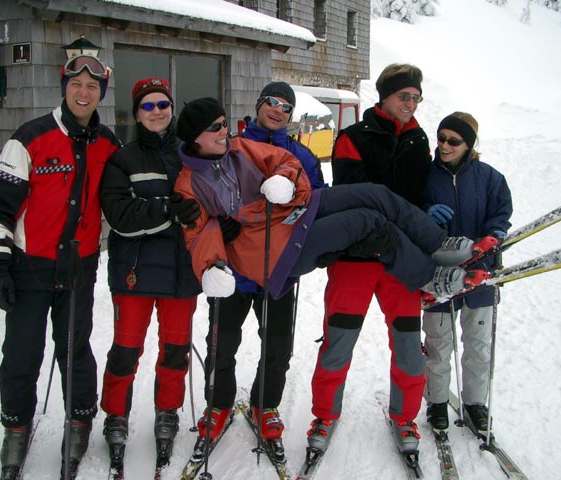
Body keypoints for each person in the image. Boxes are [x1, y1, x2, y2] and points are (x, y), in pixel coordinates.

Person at [172, 97, 483, 455]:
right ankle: (429, 277)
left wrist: (284, 180)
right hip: (273, 250)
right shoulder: (189, 183)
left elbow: (285, 161)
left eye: (224, 122)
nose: (224, 131)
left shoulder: (240, 148)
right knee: (368, 221)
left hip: (296, 210)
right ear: (195, 137)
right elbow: (199, 232)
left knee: (376, 195)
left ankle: (437, 243)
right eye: (214, 127)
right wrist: (210, 265)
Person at [0, 55, 120, 477]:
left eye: (92, 87)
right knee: (22, 352)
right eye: (76, 84)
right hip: (31, 268)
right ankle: (16, 427)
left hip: (80, 268)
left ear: (100, 94)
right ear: (64, 87)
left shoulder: (108, 144)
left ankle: (79, 418)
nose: (83, 92)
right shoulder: (30, 139)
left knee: (75, 349)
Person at [308, 63, 433, 458]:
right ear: (384, 96)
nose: (410, 104)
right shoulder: (352, 137)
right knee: (338, 341)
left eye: (416, 98)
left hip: (402, 262)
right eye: (404, 97)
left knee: (410, 345)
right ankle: (325, 414)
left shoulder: (419, 140)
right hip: (356, 259)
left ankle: (404, 416)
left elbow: (423, 197)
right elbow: (354, 196)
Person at [197, 82, 326, 454]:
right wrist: (219, 223)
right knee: (221, 342)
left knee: (277, 344)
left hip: (280, 270)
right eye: (271, 101)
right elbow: (206, 192)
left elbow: (316, 201)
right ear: (258, 105)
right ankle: (218, 404)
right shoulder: (230, 147)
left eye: (286, 106)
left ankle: (264, 404)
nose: (277, 109)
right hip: (234, 268)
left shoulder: (300, 155)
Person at [98, 78, 202, 464]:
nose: (157, 111)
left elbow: (211, 200)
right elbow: (120, 217)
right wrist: (165, 210)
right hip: (135, 273)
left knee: (175, 352)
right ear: (137, 112)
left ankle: (167, 412)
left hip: (181, 274)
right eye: (148, 105)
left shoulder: (190, 154)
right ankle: (115, 415)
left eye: (163, 104)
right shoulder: (123, 159)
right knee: (125, 351)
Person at [422, 112, 512, 434]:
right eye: (441, 138)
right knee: (438, 342)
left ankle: (475, 403)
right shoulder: (425, 176)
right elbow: (409, 212)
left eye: (453, 141)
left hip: (480, 273)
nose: (444, 145)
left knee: (477, 343)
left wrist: (494, 234)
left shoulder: (490, 178)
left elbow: (501, 213)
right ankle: (436, 402)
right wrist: (425, 215)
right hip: (439, 274)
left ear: (469, 144)